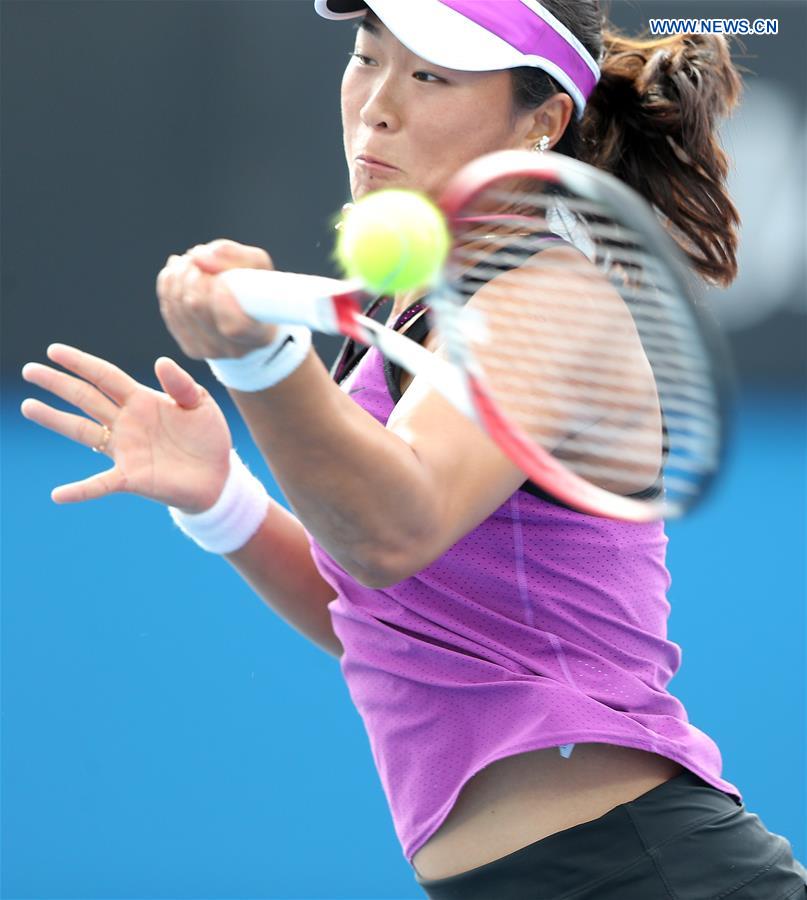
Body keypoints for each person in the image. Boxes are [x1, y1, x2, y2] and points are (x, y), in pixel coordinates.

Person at [21, 1, 807, 897]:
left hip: (636, 871)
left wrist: (258, 360)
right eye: (365, 58)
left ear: (543, 120)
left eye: (430, 76)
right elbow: (382, 605)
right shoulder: (404, 314)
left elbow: (393, 531)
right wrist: (223, 501)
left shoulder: (552, 298)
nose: (377, 104)